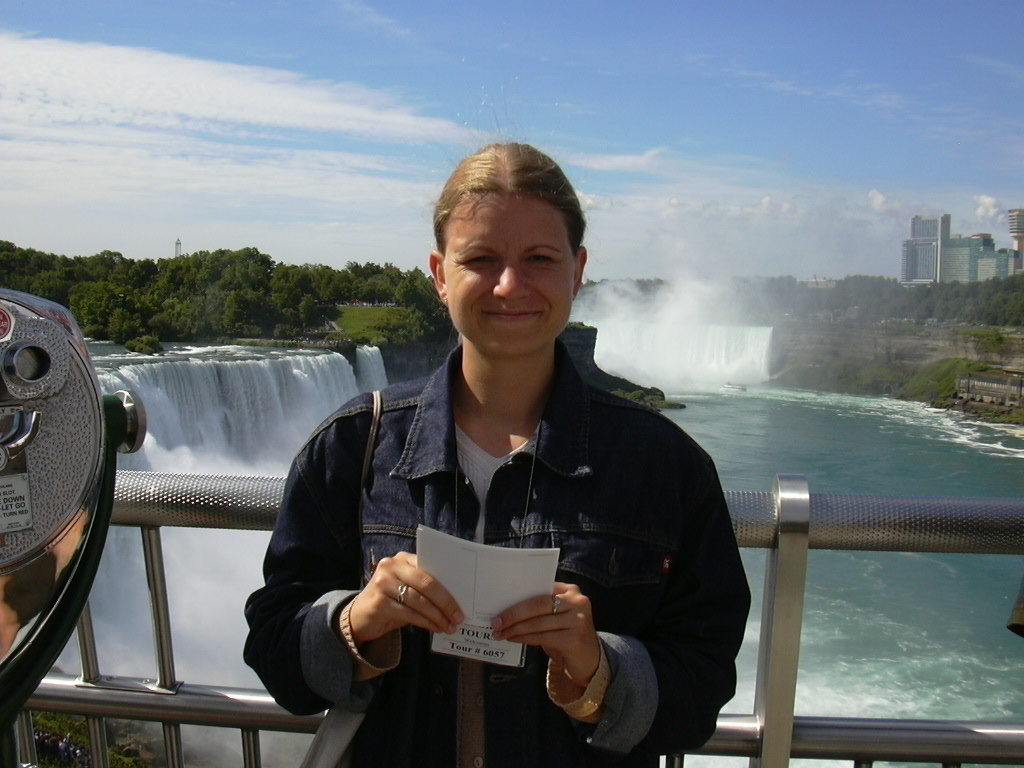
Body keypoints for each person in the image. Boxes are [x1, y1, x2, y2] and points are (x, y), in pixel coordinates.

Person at [244, 142, 750, 767]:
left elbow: (703, 687)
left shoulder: (664, 467)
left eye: (540, 258)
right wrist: (354, 622)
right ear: (439, 274)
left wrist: (598, 669)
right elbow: (273, 651)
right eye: (481, 258)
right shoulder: (354, 447)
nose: (511, 285)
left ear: (577, 269)